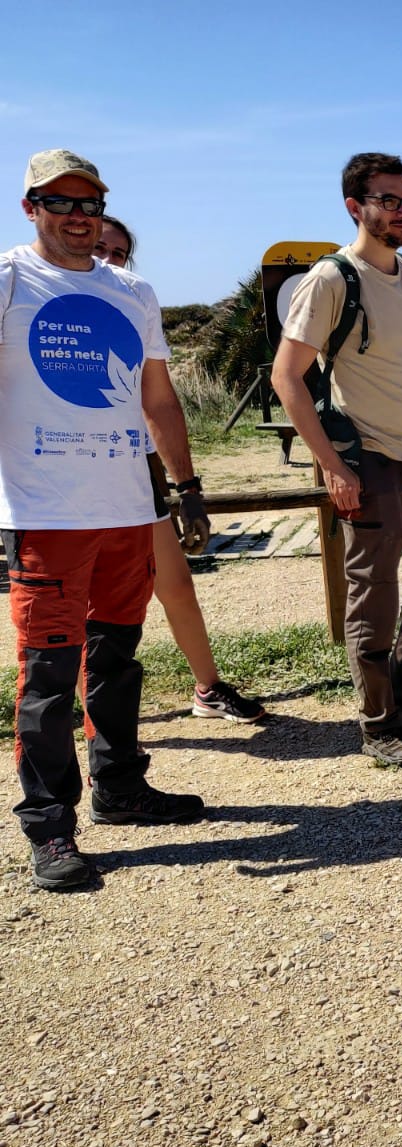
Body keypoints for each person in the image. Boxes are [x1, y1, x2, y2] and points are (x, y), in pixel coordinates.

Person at [2, 149, 207, 890]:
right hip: (46, 511)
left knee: (117, 658)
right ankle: (50, 827)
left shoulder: (134, 291)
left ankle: (120, 788)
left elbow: (157, 398)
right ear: (31, 208)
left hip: (127, 506)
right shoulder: (10, 279)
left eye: (89, 203)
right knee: (50, 674)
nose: (78, 216)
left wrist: (185, 487)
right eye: (60, 203)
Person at [272, 152, 402, 766]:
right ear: (355, 207)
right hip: (367, 459)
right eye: (389, 201)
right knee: (375, 593)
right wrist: (333, 467)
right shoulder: (331, 280)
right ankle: (378, 723)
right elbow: (287, 377)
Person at [92, 218, 265, 723]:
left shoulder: (131, 311)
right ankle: (81, 716)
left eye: (118, 253)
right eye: (100, 248)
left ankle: (207, 688)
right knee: (87, 605)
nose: (107, 259)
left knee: (175, 584)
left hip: (133, 466)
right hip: (61, 475)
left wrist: (187, 488)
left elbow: (159, 404)